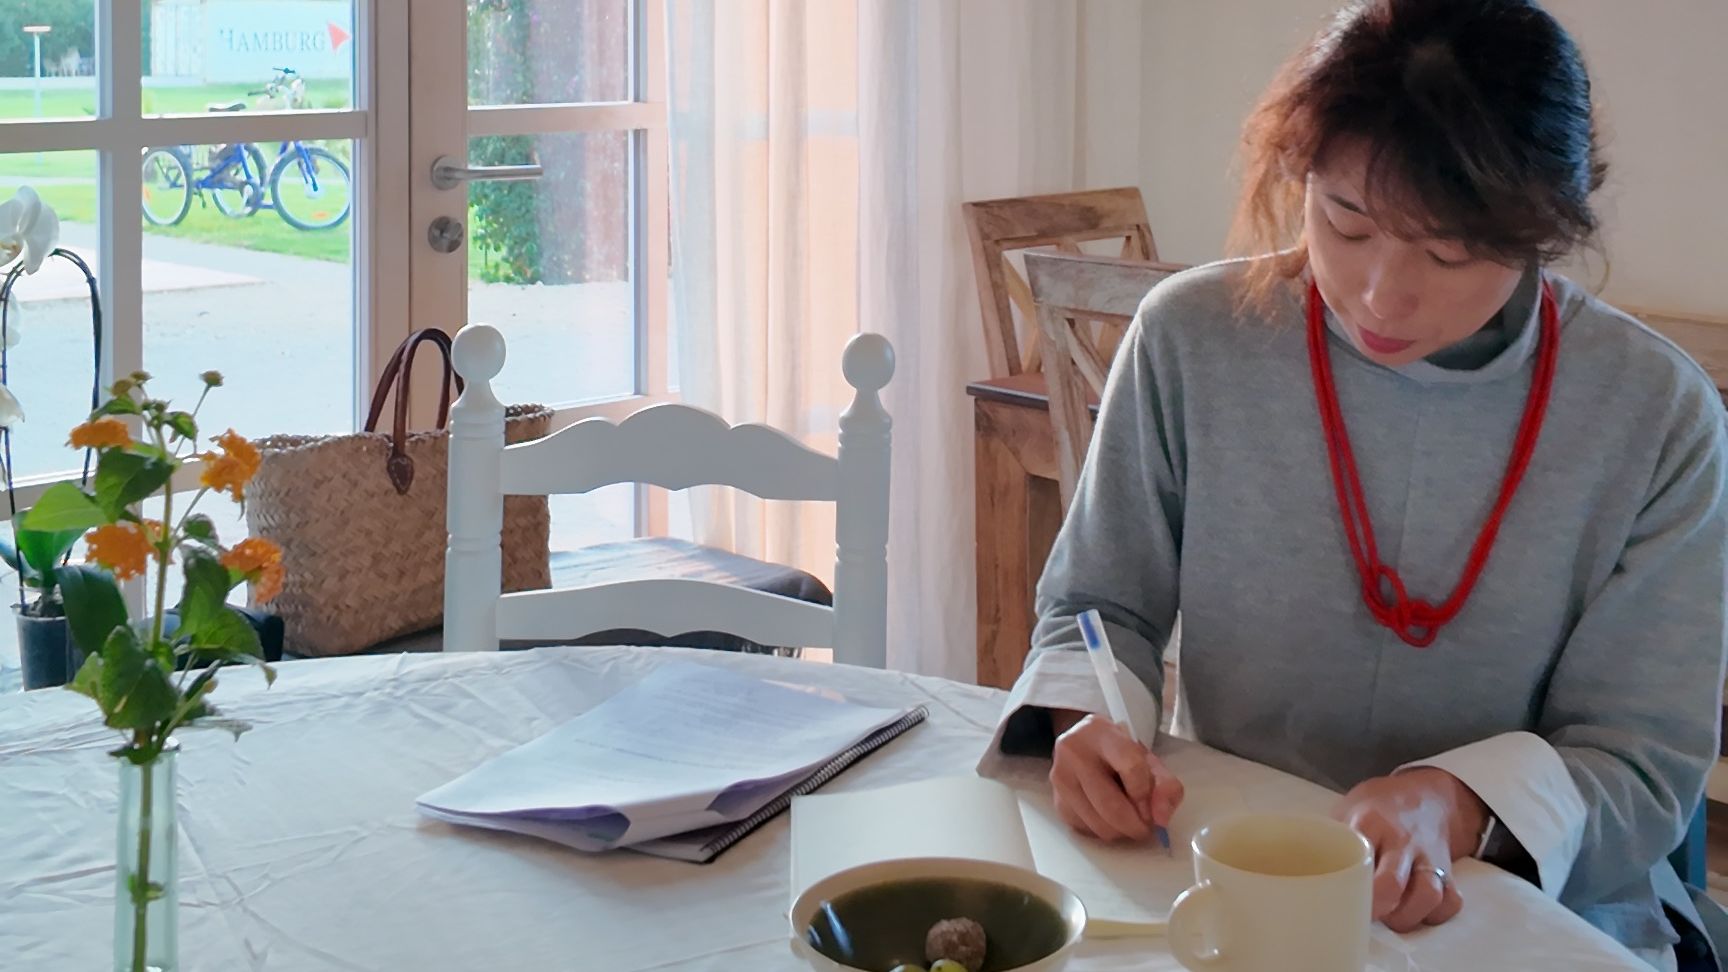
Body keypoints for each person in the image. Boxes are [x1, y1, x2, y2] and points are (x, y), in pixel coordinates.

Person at [981, 2, 1728, 969]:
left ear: (1543, 226)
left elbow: (1639, 758)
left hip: (1524, 910)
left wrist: (1454, 804)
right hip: (1237, 875)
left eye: (1451, 251)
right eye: (1345, 220)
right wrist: (1086, 719)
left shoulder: (1654, 412)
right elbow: (1096, 604)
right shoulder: (1193, 339)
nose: (1382, 294)